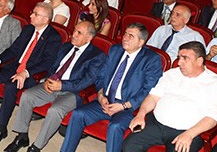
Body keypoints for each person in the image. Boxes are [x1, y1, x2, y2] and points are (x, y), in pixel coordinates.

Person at [0, 2, 62, 146]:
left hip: (32, 74)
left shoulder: (53, 37)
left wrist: (26, 72)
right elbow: (13, 50)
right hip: (15, 67)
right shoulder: (28, 29)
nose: (31, 16)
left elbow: (48, 62)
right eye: (32, 12)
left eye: (35, 14)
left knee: (10, 86)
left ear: (45, 19)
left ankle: (1, 127)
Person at [61, 23, 164, 152]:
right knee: (78, 114)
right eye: (125, 34)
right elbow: (101, 76)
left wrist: (124, 105)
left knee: (115, 126)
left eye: (131, 36)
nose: (125, 38)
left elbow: (148, 90)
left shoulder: (151, 59)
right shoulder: (116, 50)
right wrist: (100, 96)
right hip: (105, 101)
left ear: (141, 42)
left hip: (128, 107)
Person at [6, 21, 106, 152]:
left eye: (79, 33)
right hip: (53, 84)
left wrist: (62, 85)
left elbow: (87, 81)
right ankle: (22, 136)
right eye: (74, 30)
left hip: (74, 92)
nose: (74, 35)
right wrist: (47, 80)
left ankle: (36, 146)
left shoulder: (97, 55)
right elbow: (53, 67)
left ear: (89, 38)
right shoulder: (66, 47)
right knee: (27, 96)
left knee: (55, 110)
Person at [122, 41, 217, 152]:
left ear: (199, 61)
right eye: (179, 58)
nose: (179, 63)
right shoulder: (171, 74)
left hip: (187, 131)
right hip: (156, 123)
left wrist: (190, 134)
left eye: (185, 58)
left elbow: (213, 117)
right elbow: (153, 97)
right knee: (129, 147)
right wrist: (141, 114)